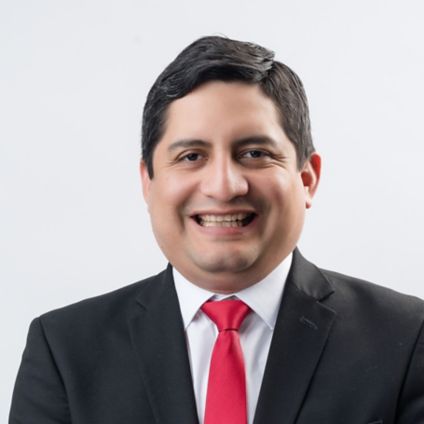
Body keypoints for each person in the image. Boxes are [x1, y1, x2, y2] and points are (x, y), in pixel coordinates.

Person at [9, 36, 424, 424]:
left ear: (307, 179)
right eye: (191, 156)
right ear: (148, 182)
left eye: (255, 153)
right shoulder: (64, 350)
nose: (224, 186)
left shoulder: (407, 338)